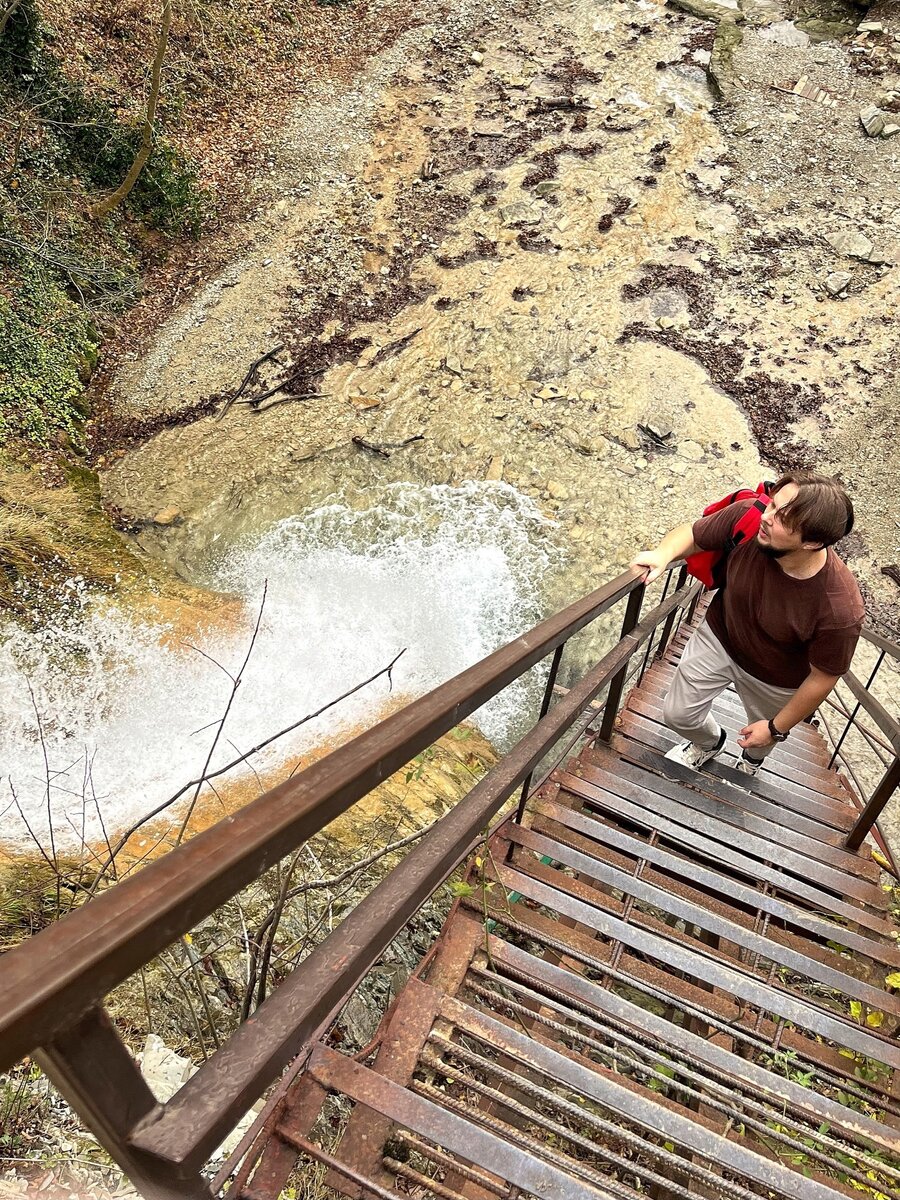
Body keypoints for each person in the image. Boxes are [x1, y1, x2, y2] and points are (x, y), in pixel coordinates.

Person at [631, 471, 864, 776]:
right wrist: (663, 554)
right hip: (721, 635)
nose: (767, 517)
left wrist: (775, 728)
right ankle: (708, 743)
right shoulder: (751, 518)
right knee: (678, 715)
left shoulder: (839, 609)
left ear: (813, 542)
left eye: (783, 519)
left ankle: (752, 761)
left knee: (761, 739)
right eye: (772, 505)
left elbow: (824, 677)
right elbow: (693, 534)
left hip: (777, 677)